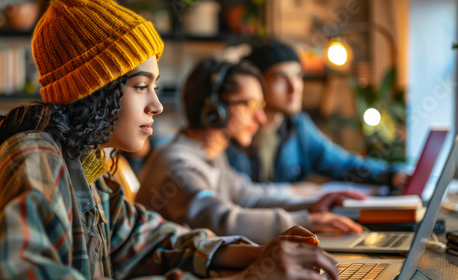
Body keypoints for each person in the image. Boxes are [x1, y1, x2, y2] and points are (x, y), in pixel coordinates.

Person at [0, 1, 339, 279]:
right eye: (141, 86)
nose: (156, 105)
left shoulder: (89, 170)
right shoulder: (36, 157)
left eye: (154, 86)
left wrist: (256, 255)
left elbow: (150, 240)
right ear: (95, 89)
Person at [136, 58, 364, 245]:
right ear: (215, 108)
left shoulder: (209, 157)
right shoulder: (179, 165)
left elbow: (250, 196)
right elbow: (221, 221)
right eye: (252, 105)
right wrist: (306, 222)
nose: (261, 118)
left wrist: (312, 206)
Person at [225, 41, 408, 190]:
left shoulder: (297, 127)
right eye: (280, 78)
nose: (294, 87)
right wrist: (295, 192)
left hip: (293, 229)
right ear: (256, 83)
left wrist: (392, 175)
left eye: (298, 76)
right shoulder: (232, 131)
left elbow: (343, 165)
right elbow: (236, 199)